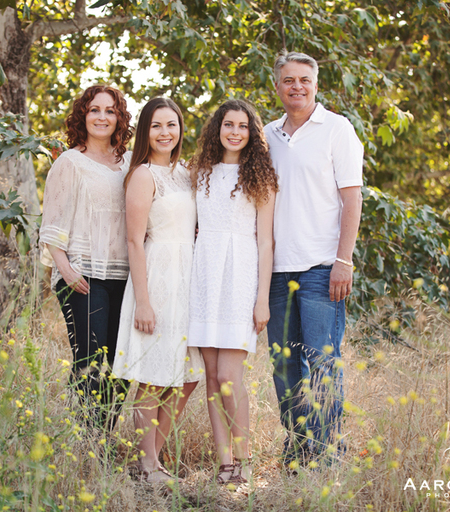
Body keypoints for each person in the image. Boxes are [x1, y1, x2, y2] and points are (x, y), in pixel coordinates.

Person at [264, 50, 364, 465]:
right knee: (284, 366)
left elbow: (352, 198)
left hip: (323, 269)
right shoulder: (266, 134)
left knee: (323, 363)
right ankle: (298, 447)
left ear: (316, 84)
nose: (297, 87)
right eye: (289, 80)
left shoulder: (337, 129)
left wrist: (344, 260)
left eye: (304, 79)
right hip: (275, 271)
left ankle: (326, 454)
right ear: (277, 86)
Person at [113, 97, 204, 483]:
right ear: (145, 132)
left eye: (172, 125)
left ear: (181, 129)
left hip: (189, 278)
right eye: (156, 126)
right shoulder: (142, 175)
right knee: (153, 375)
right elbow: (134, 241)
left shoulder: (187, 173)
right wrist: (144, 302)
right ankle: (148, 466)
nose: (165, 133)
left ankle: (148, 458)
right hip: (157, 277)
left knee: (188, 374)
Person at [187, 100, 278, 484]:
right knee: (209, 376)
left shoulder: (261, 178)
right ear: (217, 129)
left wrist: (261, 298)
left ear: (252, 133)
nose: (235, 131)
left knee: (229, 375)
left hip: (241, 276)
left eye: (243, 126)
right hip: (204, 276)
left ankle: (245, 458)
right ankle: (224, 463)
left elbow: (266, 242)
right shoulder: (199, 173)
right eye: (229, 124)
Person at [39, 85, 133, 429]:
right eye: (95, 110)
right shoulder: (70, 162)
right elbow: (51, 225)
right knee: (91, 361)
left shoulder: (129, 165)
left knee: (123, 362)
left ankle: (104, 434)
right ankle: (86, 442)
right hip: (82, 276)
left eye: (110, 111)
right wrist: (66, 271)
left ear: (119, 118)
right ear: (83, 115)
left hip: (125, 277)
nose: (102, 117)